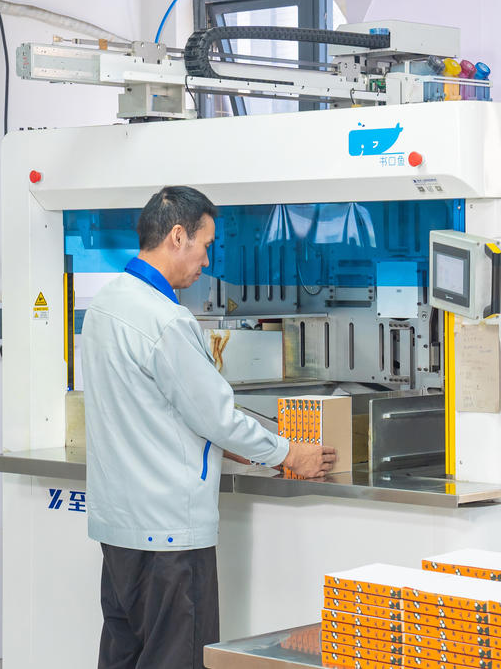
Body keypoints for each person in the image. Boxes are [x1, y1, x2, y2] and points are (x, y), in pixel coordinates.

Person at [81, 186, 336, 669]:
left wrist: (236, 446)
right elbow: (216, 417)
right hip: (170, 537)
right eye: (205, 244)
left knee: (123, 656)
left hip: (118, 531)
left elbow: (156, 410)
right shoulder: (166, 321)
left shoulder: (106, 305)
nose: (207, 260)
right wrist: (289, 453)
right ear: (178, 237)